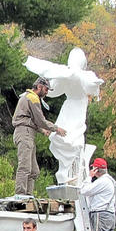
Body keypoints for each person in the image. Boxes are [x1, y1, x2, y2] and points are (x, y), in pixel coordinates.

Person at [25, 49, 104, 185]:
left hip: (72, 107)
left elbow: (54, 90)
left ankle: (71, 171)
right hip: (76, 106)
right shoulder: (79, 75)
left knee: (73, 138)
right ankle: (68, 172)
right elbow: (91, 87)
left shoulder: (67, 74)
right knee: (72, 138)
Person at [12, 77, 67, 197]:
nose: (47, 92)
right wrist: (56, 128)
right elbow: (40, 119)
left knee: (33, 171)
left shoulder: (28, 97)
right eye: (46, 89)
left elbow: (31, 120)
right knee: (25, 166)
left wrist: (42, 130)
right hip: (24, 133)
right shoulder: (32, 98)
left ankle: (28, 194)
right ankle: (20, 194)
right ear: (39, 87)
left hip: (27, 132)